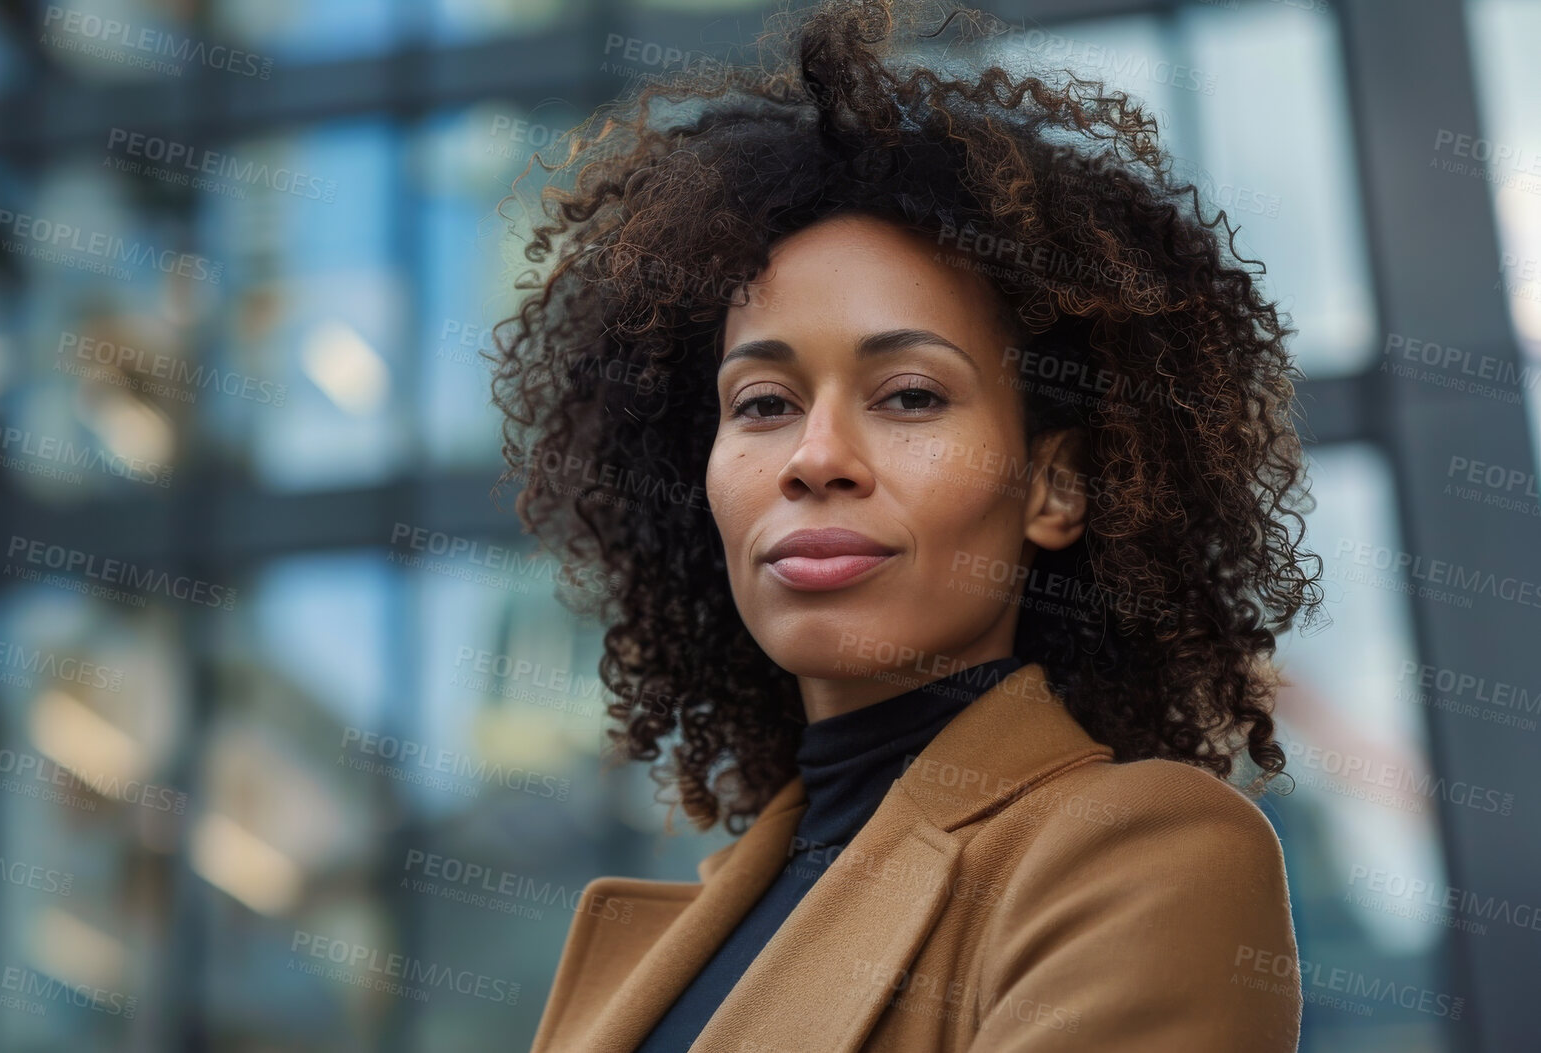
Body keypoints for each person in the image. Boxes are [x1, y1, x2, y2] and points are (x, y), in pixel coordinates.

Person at [487, 1, 1324, 1049]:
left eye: (911, 396)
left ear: (1056, 488)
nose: (816, 456)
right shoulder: (690, 933)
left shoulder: (1141, 851)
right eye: (761, 404)